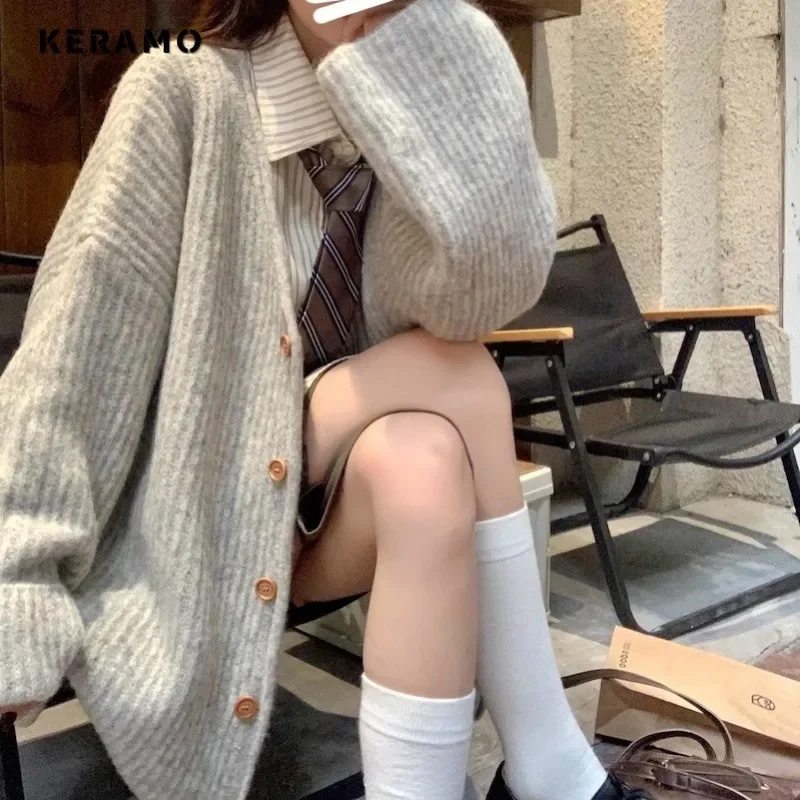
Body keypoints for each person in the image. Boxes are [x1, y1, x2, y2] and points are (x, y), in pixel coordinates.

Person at [0, 1, 648, 799]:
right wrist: (15, 578)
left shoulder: (413, 104)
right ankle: (551, 769)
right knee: (462, 374)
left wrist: (446, 63)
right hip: (199, 513)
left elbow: (482, 300)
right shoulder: (182, 90)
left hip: (320, 506)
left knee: (423, 462)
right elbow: (73, 354)